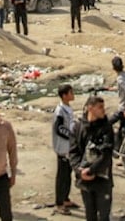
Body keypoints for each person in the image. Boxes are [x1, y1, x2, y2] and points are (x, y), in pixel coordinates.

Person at [68, 95, 114, 221]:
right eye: (100, 107)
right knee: (90, 215)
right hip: (85, 180)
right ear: (90, 108)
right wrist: (79, 171)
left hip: (102, 180)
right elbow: (73, 152)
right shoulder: (78, 127)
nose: (103, 110)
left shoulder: (106, 127)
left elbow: (106, 154)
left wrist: (92, 171)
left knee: (104, 215)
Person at [52, 85, 77, 215]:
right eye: (71, 92)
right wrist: (71, 136)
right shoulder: (60, 111)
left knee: (67, 174)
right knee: (62, 175)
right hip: (62, 147)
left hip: (69, 147)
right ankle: (59, 202)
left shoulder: (68, 108)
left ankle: (65, 199)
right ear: (64, 95)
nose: (73, 94)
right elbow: (59, 128)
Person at [108, 56, 125, 152]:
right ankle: (121, 154)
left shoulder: (120, 78)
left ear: (113, 67)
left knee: (107, 123)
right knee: (124, 131)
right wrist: (112, 89)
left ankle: (111, 147)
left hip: (124, 109)